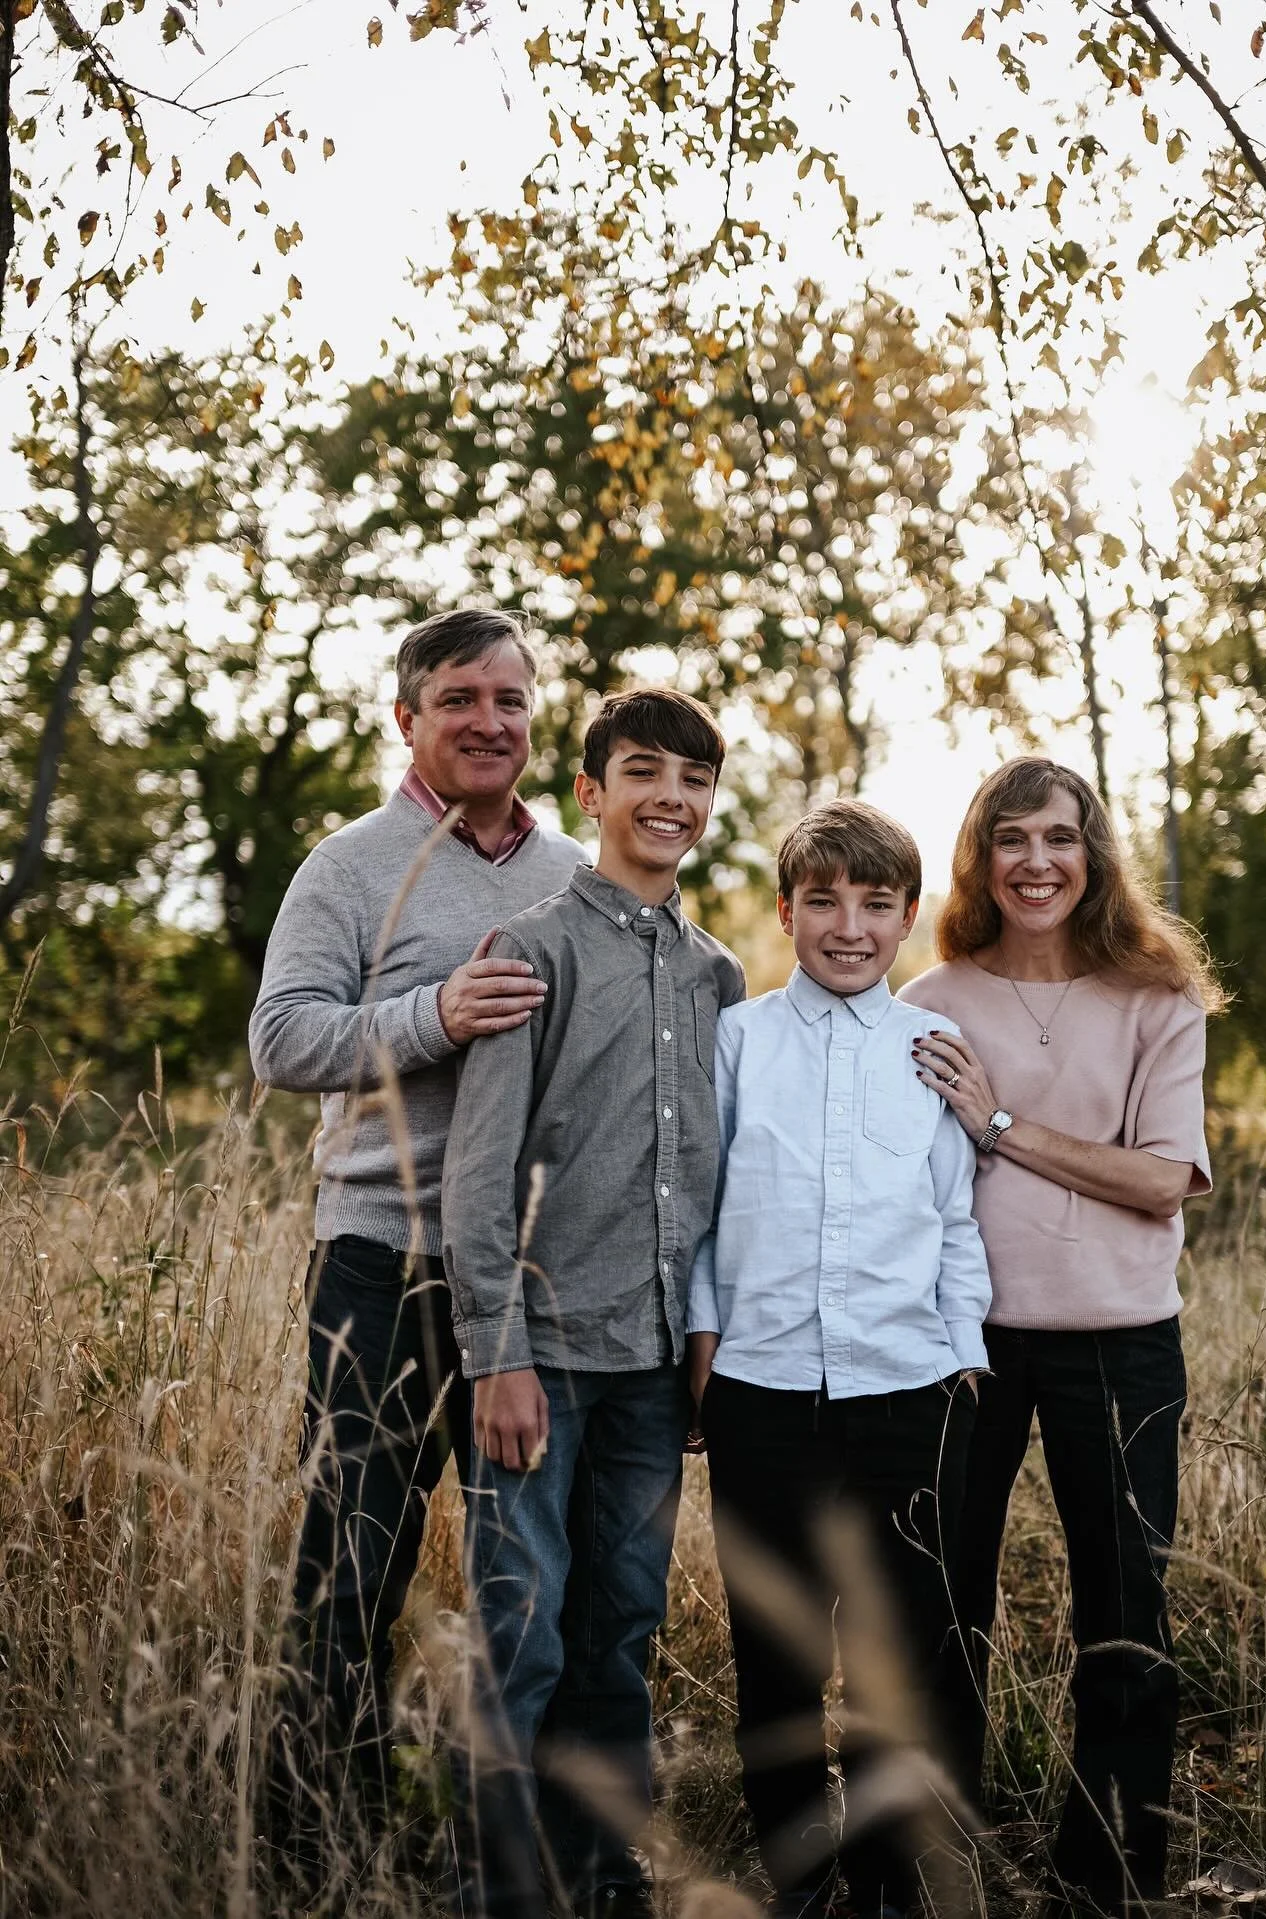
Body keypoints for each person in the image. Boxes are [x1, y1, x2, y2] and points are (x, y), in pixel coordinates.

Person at [248, 609, 586, 1878]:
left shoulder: (573, 868)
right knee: (351, 1567)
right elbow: (282, 1040)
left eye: (509, 698)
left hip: (538, 1272)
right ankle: (312, 1847)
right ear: (408, 716)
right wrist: (435, 1012)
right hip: (382, 1262)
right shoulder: (350, 863)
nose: (489, 720)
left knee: (528, 1580)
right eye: (459, 698)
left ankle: (495, 1844)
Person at [441, 687, 746, 1919]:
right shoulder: (532, 950)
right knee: (523, 1629)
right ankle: (503, 1882)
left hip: (656, 1361)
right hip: (543, 1357)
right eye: (644, 770)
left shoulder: (722, 977)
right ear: (593, 792)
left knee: (621, 1625)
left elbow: (729, 1181)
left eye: (694, 778)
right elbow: (479, 1172)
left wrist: (711, 1339)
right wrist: (495, 1351)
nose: (670, 795)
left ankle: (597, 1857)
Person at [901, 757, 1221, 1919]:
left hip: (1121, 1339)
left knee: (1125, 1614)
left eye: (1061, 838)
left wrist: (995, 1120)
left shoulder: (1158, 996)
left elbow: (1160, 1182)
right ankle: (934, 1859)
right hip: (959, 1342)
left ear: (1095, 856)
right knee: (941, 1602)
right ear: (981, 857)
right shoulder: (930, 1001)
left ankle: (1113, 1873)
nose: (1037, 861)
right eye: (1012, 838)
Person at [688, 800, 992, 1919]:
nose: (850, 925)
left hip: (907, 1394)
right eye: (824, 900)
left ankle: (883, 1875)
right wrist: (705, 1351)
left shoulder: (932, 1056)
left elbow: (956, 1220)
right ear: (787, 910)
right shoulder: (739, 1042)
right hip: (762, 1391)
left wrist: (962, 1357)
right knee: (775, 1653)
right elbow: (707, 1211)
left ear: (909, 916)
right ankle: (802, 1878)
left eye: (876, 902)